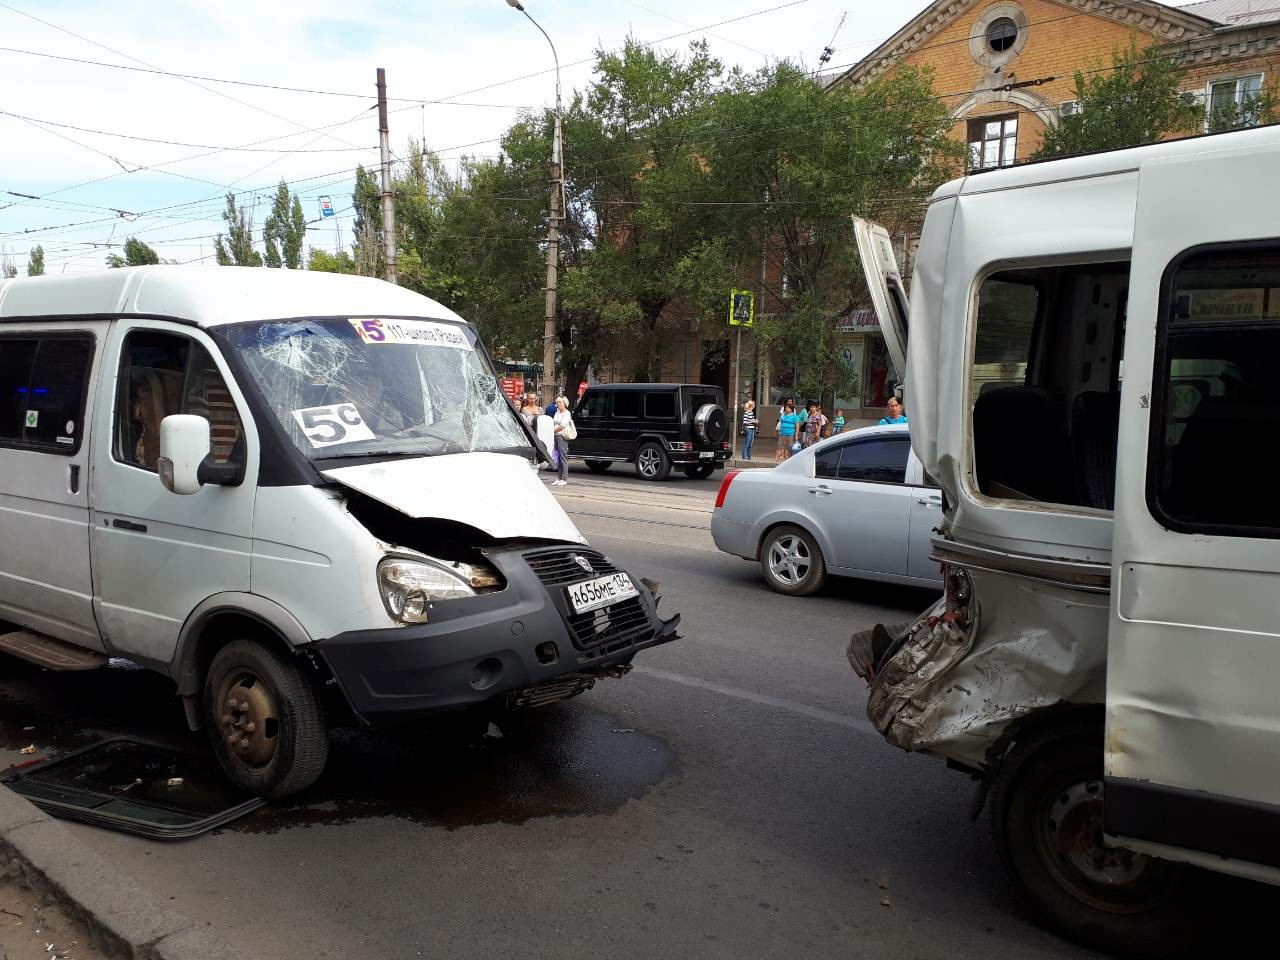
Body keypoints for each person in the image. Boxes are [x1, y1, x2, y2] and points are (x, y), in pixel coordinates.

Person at [551, 395, 573, 485]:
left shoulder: (567, 413)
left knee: (563, 457)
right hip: (555, 436)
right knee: (558, 457)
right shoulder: (557, 413)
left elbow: (562, 426)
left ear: (565, 403)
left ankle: (564, 479)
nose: (558, 404)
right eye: (557, 402)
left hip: (561, 436)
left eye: (560, 402)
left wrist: (552, 431)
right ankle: (559, 478)